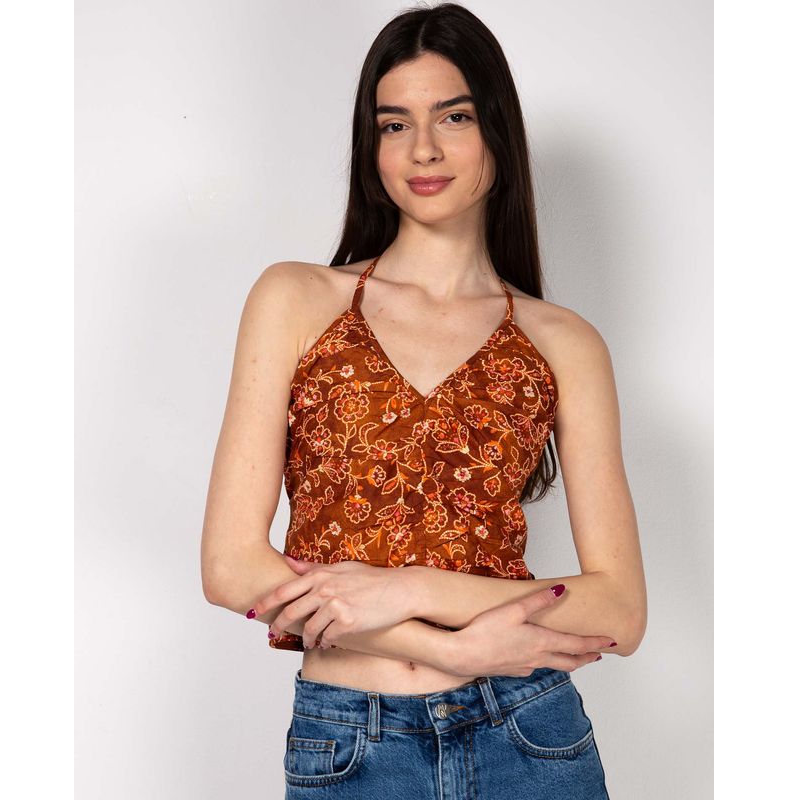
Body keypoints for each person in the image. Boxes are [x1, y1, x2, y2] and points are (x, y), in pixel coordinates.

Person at [201, 3, 646, 797]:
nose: (424, 148)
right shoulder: (297, 299)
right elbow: (231, 566)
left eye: (455, 116)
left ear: (497, 132)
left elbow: (619, 609)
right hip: (351, 739)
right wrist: (448, 646)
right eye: (395, 124)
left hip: (528, 733)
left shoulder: (562, 342)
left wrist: (411, 588)